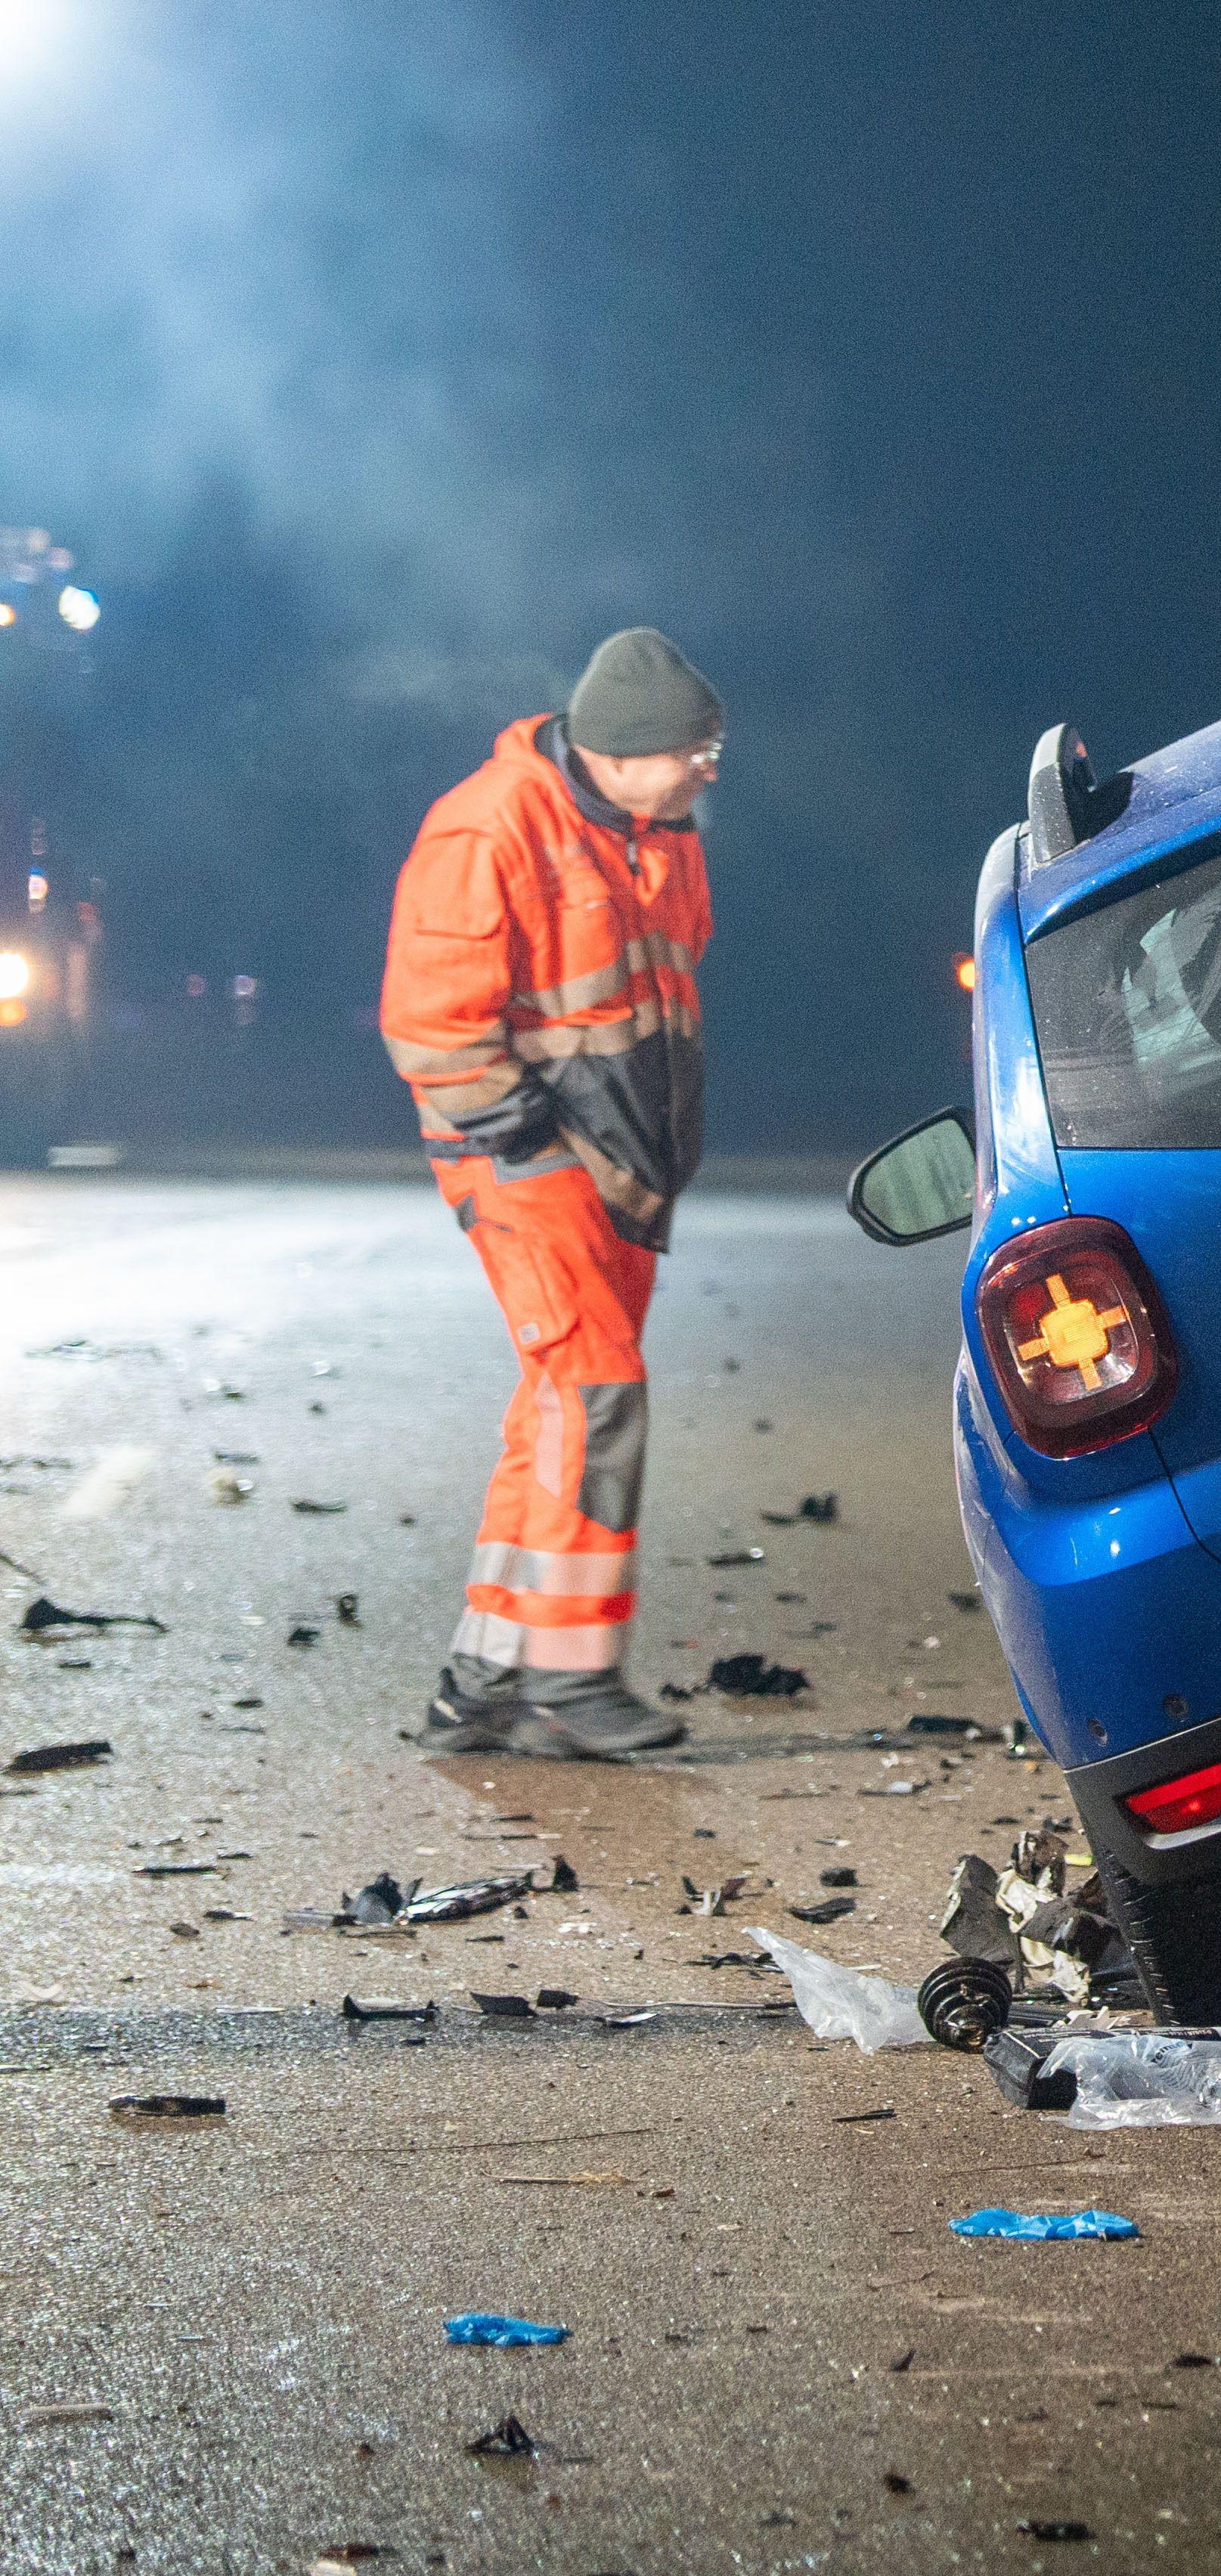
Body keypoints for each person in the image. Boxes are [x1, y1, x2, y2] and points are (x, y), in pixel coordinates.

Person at [378, 628, 721, 1760]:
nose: (709, 767)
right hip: (531, 1161)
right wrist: (530, 1146)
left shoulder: (655, 828)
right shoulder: (490, 824)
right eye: (694, 748)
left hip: (618, 1167)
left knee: (557, 1410)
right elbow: (432, 1023)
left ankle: (482, 1679)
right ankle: (572, 1681)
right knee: (598, 1393)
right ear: (622, 753)